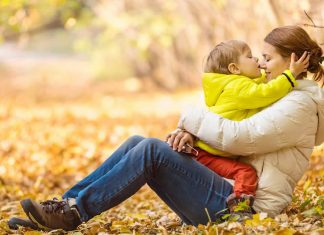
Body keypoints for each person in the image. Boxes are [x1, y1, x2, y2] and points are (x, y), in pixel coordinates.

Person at [14, 25, 323, 231]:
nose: (263, 64)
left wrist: (190, 123)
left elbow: (243, 138)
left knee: (151, 150)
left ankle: (73, 214)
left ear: (294, 61)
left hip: (243, 206)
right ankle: (64, 206)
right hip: (225, 186)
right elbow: (230, 114)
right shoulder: (280, 92)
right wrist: (190, 133)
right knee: (138, 141)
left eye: (268, 58)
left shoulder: (299, 104)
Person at [179, 39, 309, 215]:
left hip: (207, 149)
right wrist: (290, 75)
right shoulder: (238, 87)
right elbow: (265, 93)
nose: (258, 61)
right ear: (234, 69)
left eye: (264, 58)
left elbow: (262, 85)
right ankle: (241, 209)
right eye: (250, 57)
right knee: (245, 172)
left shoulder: (235, 85)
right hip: (207, 153)